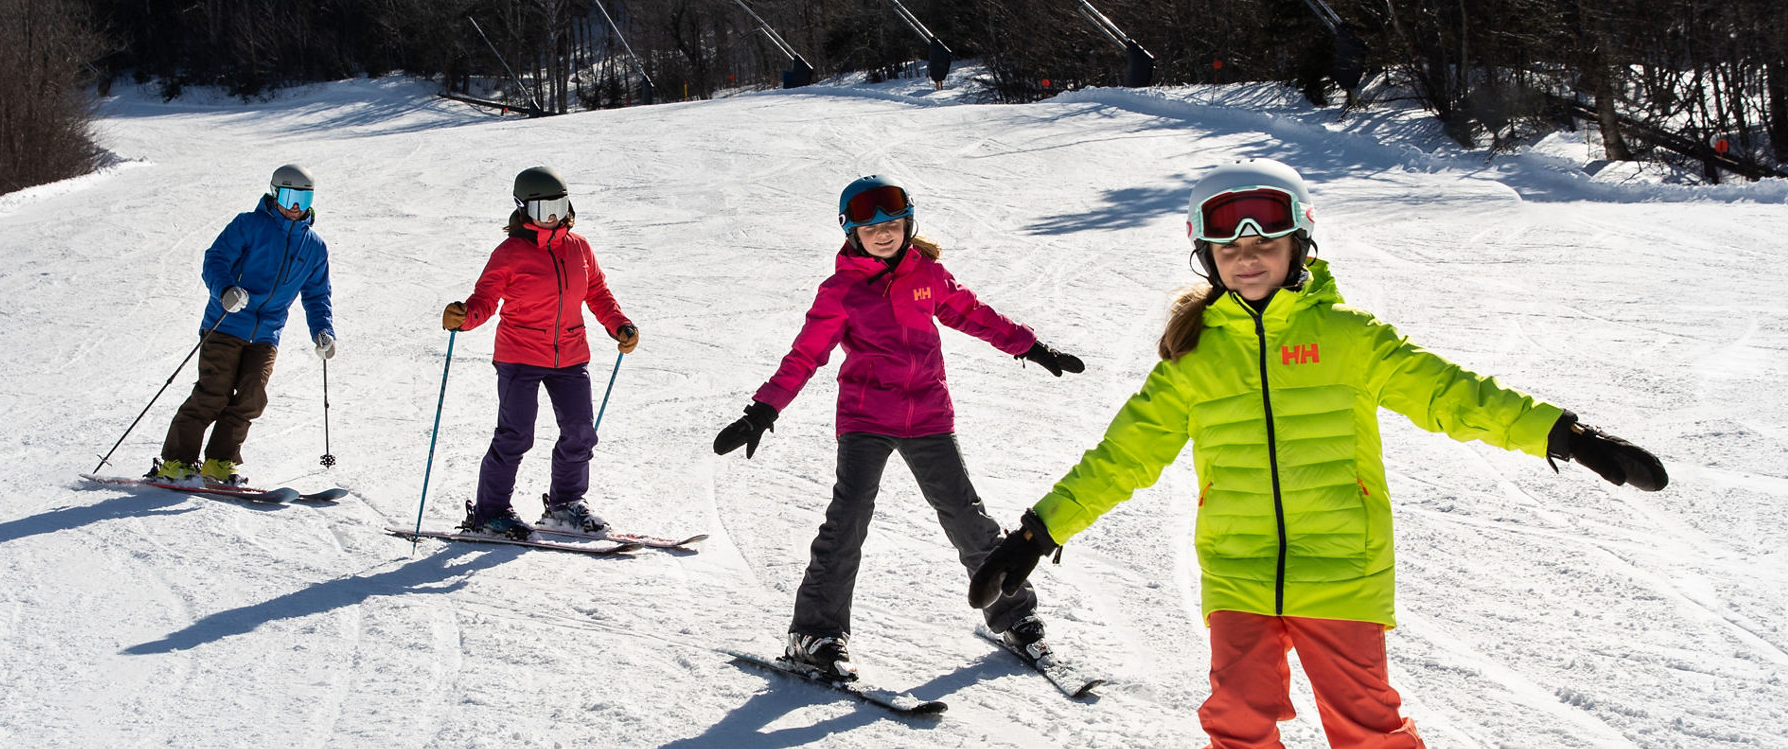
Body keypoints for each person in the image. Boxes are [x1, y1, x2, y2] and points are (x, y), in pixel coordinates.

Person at [966, 159, 1667, 749]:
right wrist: (1039, 530)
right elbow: (1122, 457)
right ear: (1205, 254)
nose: (1248, 255)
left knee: (1366, 728)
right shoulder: (1193, 356)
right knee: (1237, 720)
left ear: (1300, 243)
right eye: (1229, 245)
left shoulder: (1348, 336)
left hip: (1342, 567)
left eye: (1266, 241)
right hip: (1238, 571)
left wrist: (1563, 434)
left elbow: (1452, 395)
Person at [712, 175, 1088, 682]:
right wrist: (763, 410)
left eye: (892, 225)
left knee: (967, 517)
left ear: (908, 224)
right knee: (846, 523)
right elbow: (805, 356)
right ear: (851, 234)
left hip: (929, 415)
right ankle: (813, 634)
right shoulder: (841, 291)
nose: (884, 235)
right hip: (866, 419)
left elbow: (973, 313)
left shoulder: (925, 273)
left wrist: (1030, 346)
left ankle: (1014, 615)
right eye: (872, 229)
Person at [440, 166, 638, 540]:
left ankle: (565, 506)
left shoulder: (579, 247)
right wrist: (464, 318)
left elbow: (596, 292)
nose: (552, 217)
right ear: (522, 210)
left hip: (570, 354)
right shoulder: (509, 253)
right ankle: (490, 513)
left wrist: (619, 324)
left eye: (559, 205)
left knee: (580, 432)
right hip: (519, 356)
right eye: (542, 209)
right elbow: (485, 299)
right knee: (515, 435)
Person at [149, 164, 337, 486]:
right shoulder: (249, 225)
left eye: (304, 200)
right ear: (275, 193)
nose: (295, 207)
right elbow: (215, 259)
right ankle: (177, 462)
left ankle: (220, 462)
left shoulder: (315, 247)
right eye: (291, 197)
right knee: (214, 392)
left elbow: (317, 295)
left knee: (252, 396)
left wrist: (324, 331)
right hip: (226, 323)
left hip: (267, 333)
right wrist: (225, 291)